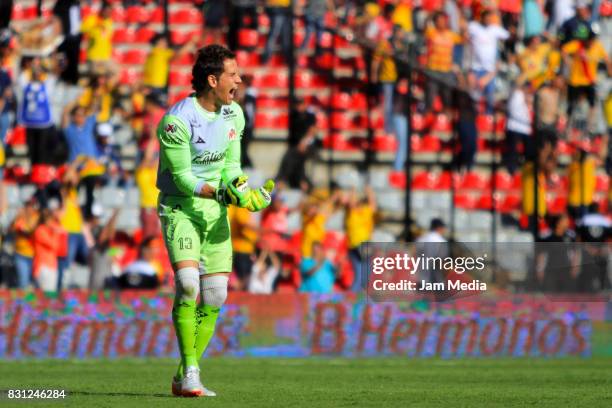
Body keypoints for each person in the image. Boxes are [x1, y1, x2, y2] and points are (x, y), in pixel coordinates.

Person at [155, 45, 275, 397]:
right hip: (181, 208)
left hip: (214, 211)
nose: (240, 80)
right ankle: (191, 371)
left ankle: (183, 375)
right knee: (189, 284)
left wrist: (246, 196)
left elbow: (231, 169)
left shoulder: (234, 114)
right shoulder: (177, 121)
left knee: (216, 294)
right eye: (233, 74)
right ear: (212, 80)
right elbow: (180, 179)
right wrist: (221, 193)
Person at [467, 9, 509, 114]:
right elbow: (464, 30)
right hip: (476, 67)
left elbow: (507, 35)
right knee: (474, 96)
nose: (488, 20)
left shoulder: (495, 29)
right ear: (482, 18)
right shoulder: (474, 27)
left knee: (489, 95)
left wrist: (499, 21)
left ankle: (488, 116)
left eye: (490, 18)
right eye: (487, 17)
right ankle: (474, 115)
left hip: (489, 69)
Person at [343, 186, 376, 291]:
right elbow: (351, 204)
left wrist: (369, 193)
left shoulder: (365, 212)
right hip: (356, 244)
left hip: (363, 244)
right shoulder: (352, 213)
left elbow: (373, 205)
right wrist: (353, 191)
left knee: (363, 276)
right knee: (361, 276)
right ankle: (353, 298)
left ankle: (355, 298)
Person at [10, 197, 39, 288]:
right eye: (28, 205)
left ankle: (34, 302)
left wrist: (23, 229)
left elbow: (31, 232)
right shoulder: (20, 217)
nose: (29, 207)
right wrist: (17, 217)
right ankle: (22, 302)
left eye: (32, 205)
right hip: (20, 254)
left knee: (36, 283)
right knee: (23, 282)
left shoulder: (37, 217)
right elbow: (12, 229)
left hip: (35, 254)